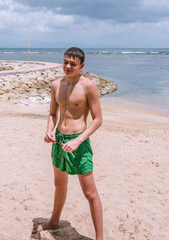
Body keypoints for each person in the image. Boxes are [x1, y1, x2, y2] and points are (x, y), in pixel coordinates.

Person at [32, 47, 103, 240]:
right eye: (65, 62)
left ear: (81, 65)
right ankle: (54, 221)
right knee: (59, 185)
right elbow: (53, 114)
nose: (68, 66)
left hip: (78, 143)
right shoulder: (56, 85)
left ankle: (100, 238)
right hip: (59, 141)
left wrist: (79, 141)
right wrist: (49, 130)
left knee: (90, 193)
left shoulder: (88, 86)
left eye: (72, 63)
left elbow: (97, 119)